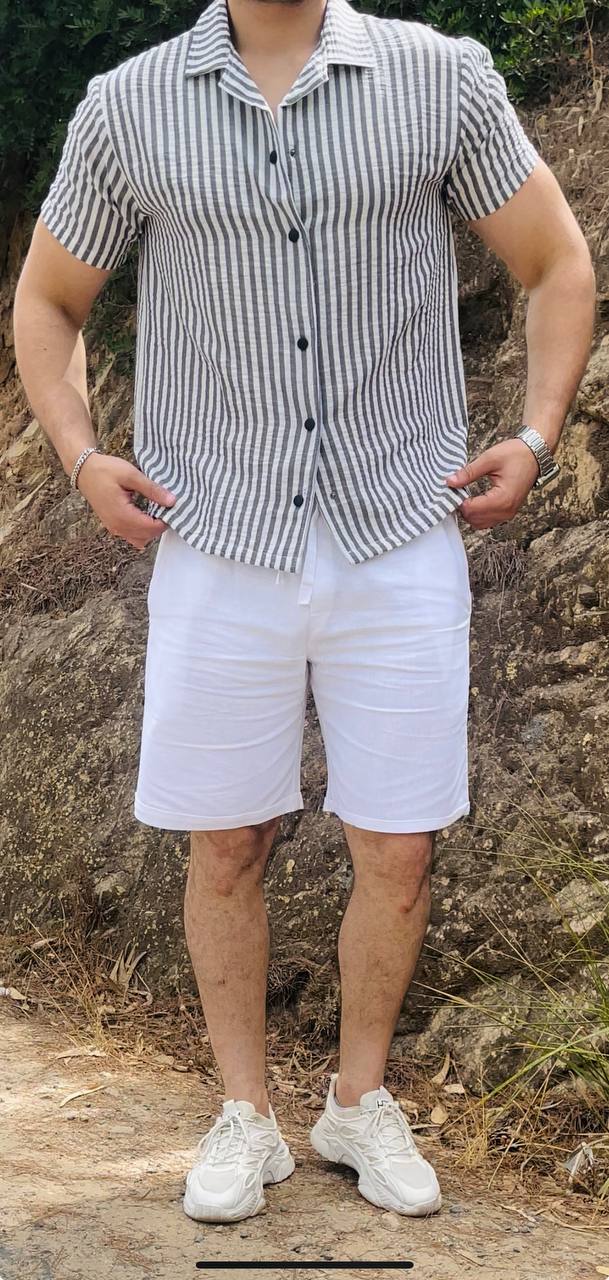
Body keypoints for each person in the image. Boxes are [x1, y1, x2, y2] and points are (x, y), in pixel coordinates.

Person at [13, 0, 595, 1227]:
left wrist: (537, 432)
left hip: (400, 527)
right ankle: (244, 1109)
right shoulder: (129, 108)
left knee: (400, 844)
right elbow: (50, 299)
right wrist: (81, 454)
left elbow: (556, 261)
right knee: (226, 839)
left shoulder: (439, 81)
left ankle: (357, 1098)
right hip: (219, 534)